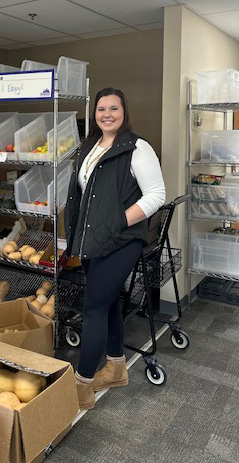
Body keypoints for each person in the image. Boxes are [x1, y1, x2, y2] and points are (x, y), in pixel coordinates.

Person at [64, 87, 166, 410]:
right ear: (94, 113)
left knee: (93, 306)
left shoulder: (137, 148)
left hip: (122, 240)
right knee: (107, 304)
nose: (106, 114)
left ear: (124, 112)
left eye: (113, 108)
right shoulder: (89, 146)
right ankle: (116, 367)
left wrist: (119, 221)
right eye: (101, 109)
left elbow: (156, 195)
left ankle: (82, 387)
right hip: (93, 239)